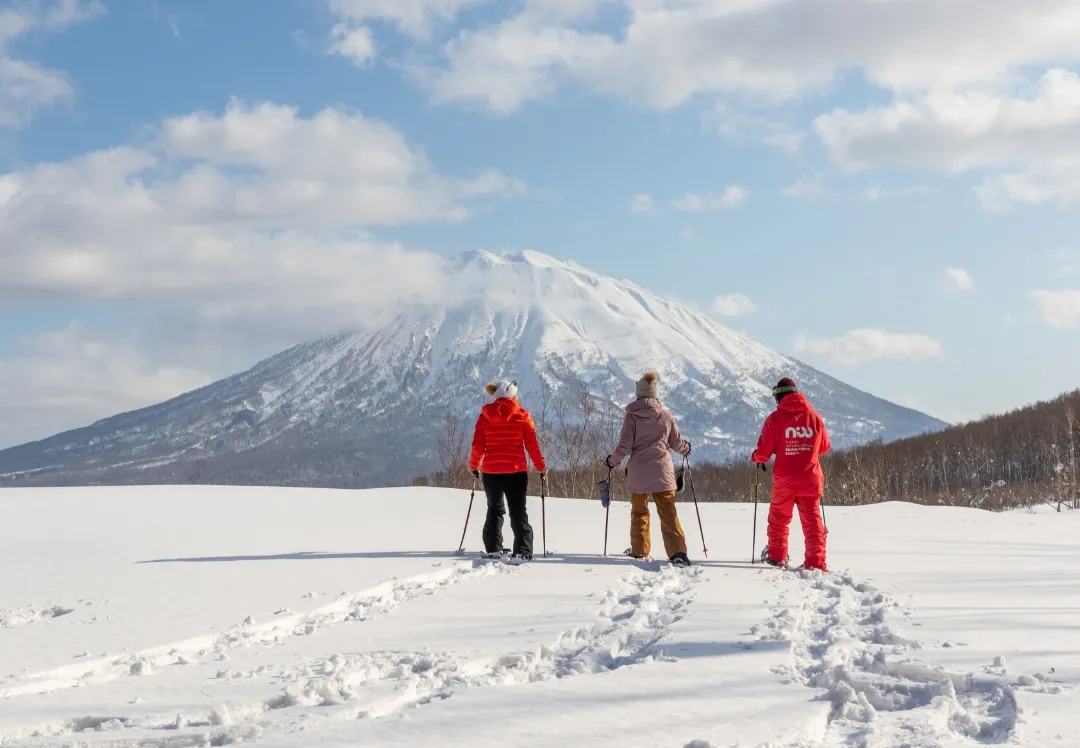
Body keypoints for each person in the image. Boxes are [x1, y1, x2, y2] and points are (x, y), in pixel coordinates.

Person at [605, 371, 692, 567]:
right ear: (655, 394)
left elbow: (624, 447)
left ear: (638, 394)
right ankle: (678, 552)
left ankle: (639, 550)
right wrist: (687, 448)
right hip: (663, 472)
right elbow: (678, 445)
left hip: (639, 473)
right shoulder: (666, 416)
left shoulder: (632, 417)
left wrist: (612, 461)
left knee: (639, 513)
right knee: (669, 514)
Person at [751, 377, 831, 571]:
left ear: (779, 397)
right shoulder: (815, 417)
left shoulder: (774, 419)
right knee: (812, 523)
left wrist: (756, 458)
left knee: (779, 519)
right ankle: (815, 563)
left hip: (785, 480)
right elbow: (824, 447)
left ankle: (777, 557)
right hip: (810, 479)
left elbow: (763, 452)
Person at [469, 379, 547, 561]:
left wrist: (474, 465)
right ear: (513, 395)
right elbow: (532, 446)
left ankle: (493, 548)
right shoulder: (522, 415)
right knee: (518, 511)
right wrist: (541, 467)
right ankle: (522, 550)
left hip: (491, 472)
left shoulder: (484, 416)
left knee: (494, 510)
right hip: (516, 472)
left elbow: (477, 446)